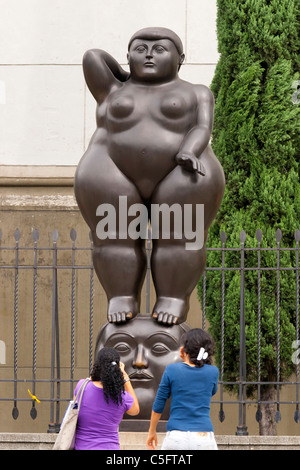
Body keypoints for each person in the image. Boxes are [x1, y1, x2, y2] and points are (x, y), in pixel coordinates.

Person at [74, 27, 225, 326]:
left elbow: (201, 128)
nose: (149, 55)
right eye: (141, 49)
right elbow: (92, 57)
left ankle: (173, 296)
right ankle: (121, 294)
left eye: (160, 49)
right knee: (113, 238)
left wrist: (190, 151)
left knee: (180, 239)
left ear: (180, 58)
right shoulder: (112, 89)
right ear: (128, 56)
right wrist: (126, 73)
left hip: (180, 171)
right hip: (111, 169)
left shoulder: (196, 91)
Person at [146, 328, 219, 450]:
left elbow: (159, 405)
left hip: (176, 436)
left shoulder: (171, 370)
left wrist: (152, 431)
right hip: (203, 436)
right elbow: (211, 391)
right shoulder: (213, 372)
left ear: (184, 349)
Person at [73, 347, 139, 450]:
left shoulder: (82, 386)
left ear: (98, 365)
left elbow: (74, 410)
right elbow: (135, 410)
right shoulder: (122, 397)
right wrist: (125, 378)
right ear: (118, 368)